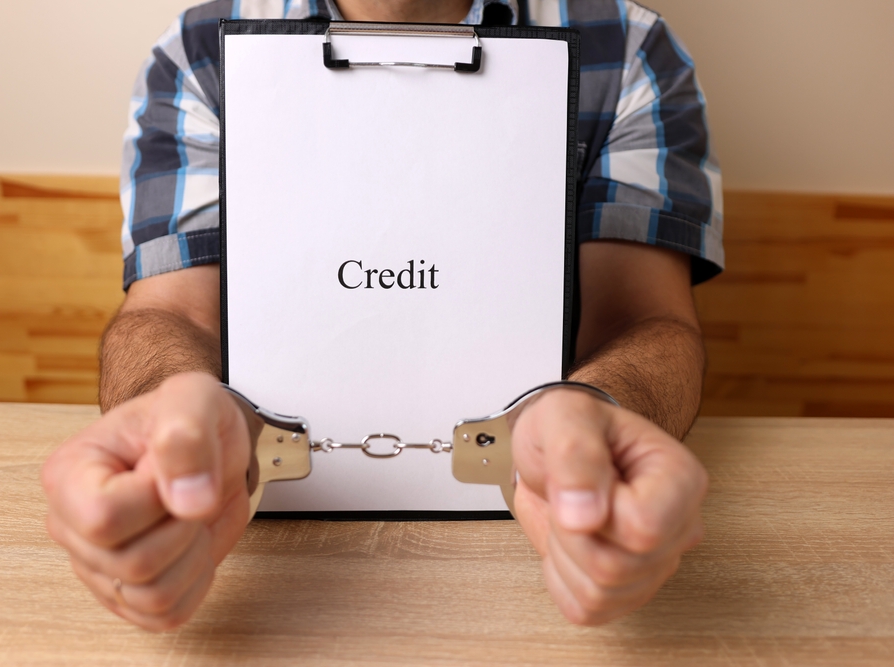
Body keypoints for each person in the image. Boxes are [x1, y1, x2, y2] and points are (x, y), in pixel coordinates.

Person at [42, 0, 722, 632]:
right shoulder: (195, 56)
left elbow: (643, 319)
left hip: (527, 567)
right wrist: (171, 424)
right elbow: (172, 313)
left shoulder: (630, 49)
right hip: (271, 548)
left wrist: (598, 414)